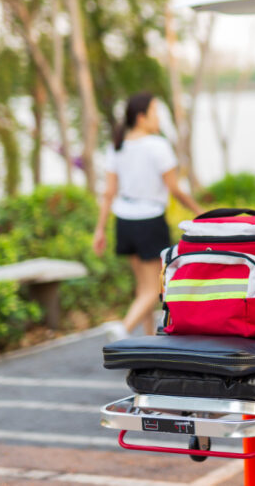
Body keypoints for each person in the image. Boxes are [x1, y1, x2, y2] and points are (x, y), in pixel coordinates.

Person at [93, 92, 202, 340]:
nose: (159, 119)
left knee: (143, 288)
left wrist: (100, 230)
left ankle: (148, 340)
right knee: (153, 289)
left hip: (124, 221)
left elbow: (109, 192)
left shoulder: (117, 146)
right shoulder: (158, 145)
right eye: (155, 113)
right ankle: (123, 329)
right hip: (149, 221)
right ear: (141, 118)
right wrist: (199, 212)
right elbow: (174, 189)